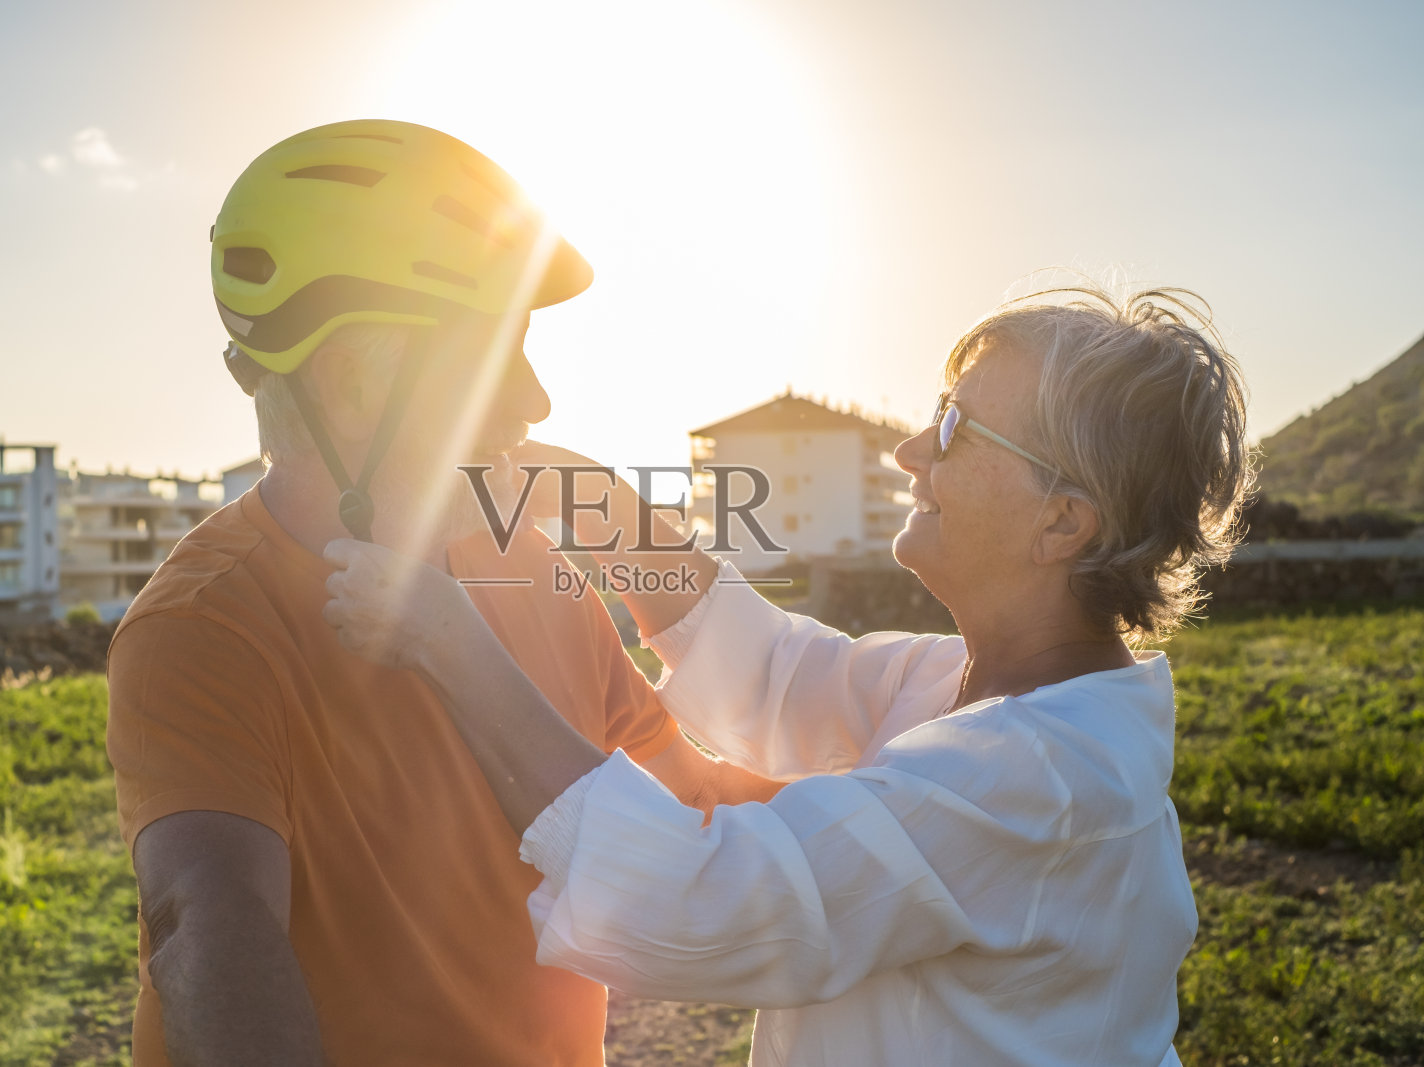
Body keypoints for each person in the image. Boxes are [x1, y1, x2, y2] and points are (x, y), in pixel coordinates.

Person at [323, 286, 1254, 1066]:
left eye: (956, 427)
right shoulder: (969, 691)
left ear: (1062, 524)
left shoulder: (1036, 778)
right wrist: (591, 500)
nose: (910, 452)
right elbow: (778, 670)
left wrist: (449, 643)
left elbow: (708, 902)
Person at [105, 120, 777, 1067]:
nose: (535, 399)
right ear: (348, 385)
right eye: (490, 356)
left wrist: (935, 812)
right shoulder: (205, 625)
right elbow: (209, 924)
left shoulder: (533, 572)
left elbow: (690, 798)